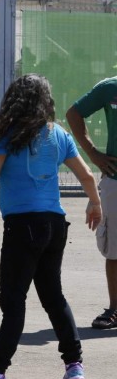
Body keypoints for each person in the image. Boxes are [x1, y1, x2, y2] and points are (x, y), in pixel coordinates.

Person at [0, 74, 102, 379]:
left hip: (22, 227)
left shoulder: (9, 134)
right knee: (53, 295)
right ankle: (74, 364)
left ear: (13, 101)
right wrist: (94, 205)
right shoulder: (57, 133)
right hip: (54, 225)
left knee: (13, 300)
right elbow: (87, 176)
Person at [67, 78, 117, 330]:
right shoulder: (110, 88)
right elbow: (74, 114)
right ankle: (115, 309)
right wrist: (92, 153)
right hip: (115, 181)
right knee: (115, 250)